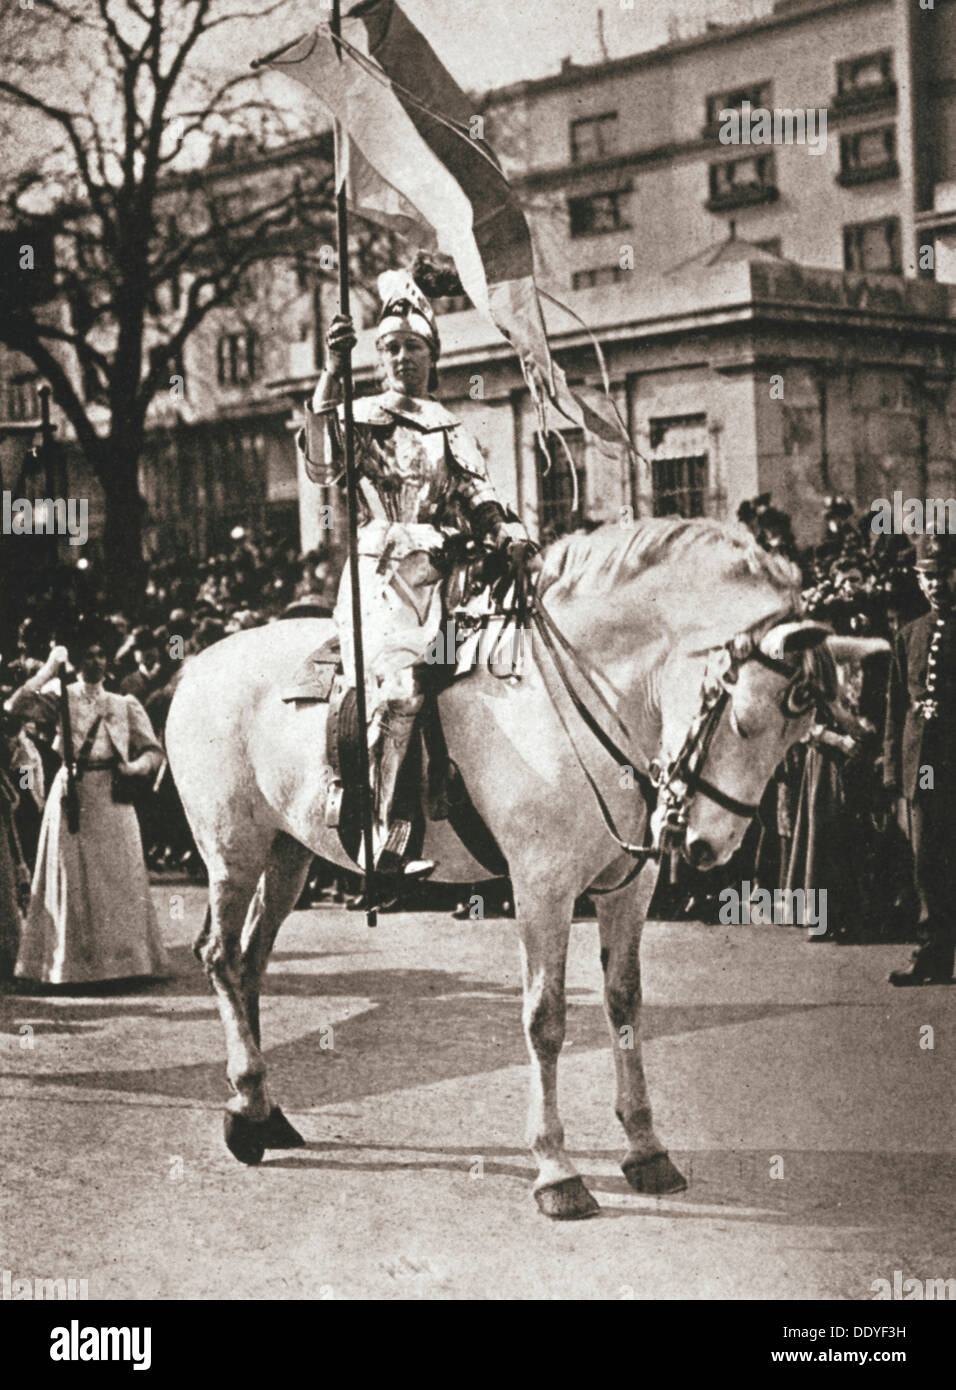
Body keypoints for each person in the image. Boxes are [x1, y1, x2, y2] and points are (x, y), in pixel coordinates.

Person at [299, 269, 533, 888]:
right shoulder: (358, 414)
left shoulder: (448, 426)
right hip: (385, 578)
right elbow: (322, 463)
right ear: (379, 358)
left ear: (434, 356)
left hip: (450, 581)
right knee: (401, 689)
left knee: (493, 671)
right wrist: (330, 371)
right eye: (393, 347)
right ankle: (377, 832)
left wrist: (510, 534)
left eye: (416, 347)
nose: (404, 357)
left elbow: (480, 497)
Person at [6, 620, 169, 987]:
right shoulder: (59, 696)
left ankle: (125, 966)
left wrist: (135, 767)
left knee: (117, 877)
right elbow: (14, 706)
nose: (95, 661)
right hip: (72, 795)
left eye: (100, 654)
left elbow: (154, 752)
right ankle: (72, 967)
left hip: (114, 793)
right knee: (74, 879)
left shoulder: (123, 703)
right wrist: (50, 666)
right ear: (76, 660)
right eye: (87, 655)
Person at [883, 531, 956, 985]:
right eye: (926, 577)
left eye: (943, 575)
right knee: (928, 860)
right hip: (924, 768)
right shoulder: (909, 634)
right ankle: (932, 954)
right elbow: (896, 709)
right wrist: (894, 771)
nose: (934, 585)